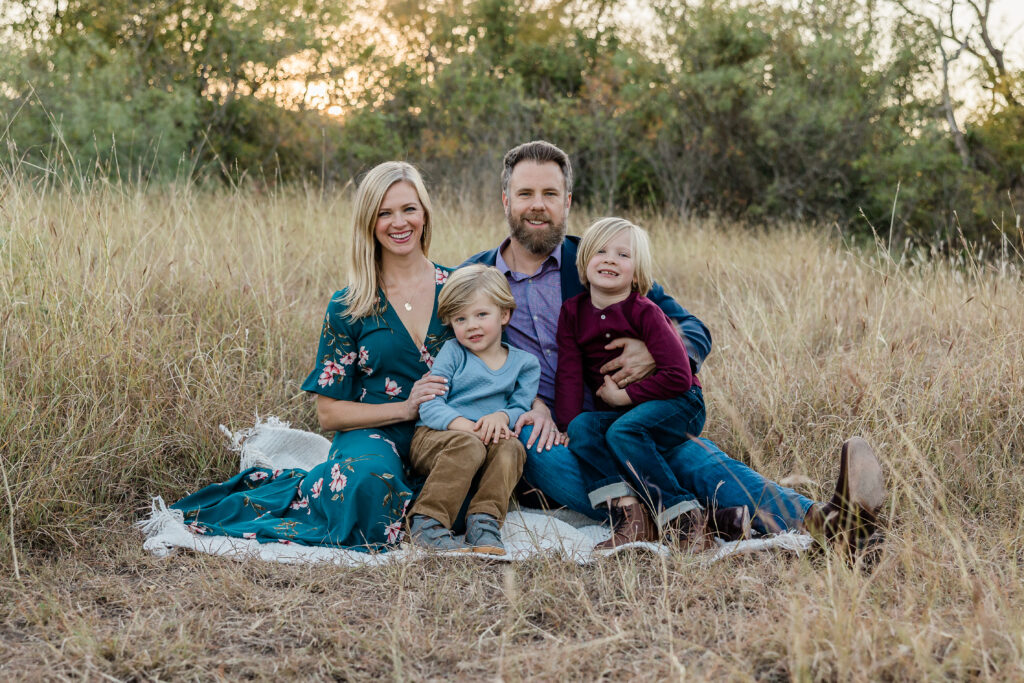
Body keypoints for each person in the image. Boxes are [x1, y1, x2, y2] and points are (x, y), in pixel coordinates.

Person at [461, 140, 886, 555]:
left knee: (688, 456)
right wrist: (524, 405)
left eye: (549, 193)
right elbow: (452, 363)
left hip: (629, 412)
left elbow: (691, 327)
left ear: (567, 201)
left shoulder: (596, 261)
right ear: (505, 200)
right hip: (553, 433)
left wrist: (653, 354)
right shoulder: (474, 279)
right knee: (537, 452)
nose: (538, 204)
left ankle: (827, 523)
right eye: (526, 194)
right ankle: (696, 515)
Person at [169, 161, 454, 549]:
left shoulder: (458, 289)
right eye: (384, 213)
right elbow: (329, 413)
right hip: (373, 434)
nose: (398, 222)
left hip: (445, 431)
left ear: (424, 213)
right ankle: (351, 494)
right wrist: (405, 408)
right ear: (369, 222)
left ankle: (416, 508)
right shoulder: (349, 305)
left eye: (408, 209)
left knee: (475, 479)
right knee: (368, 488)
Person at [557, 217, 739, 551]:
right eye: (600, 251)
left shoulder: (646, 312)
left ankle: (687, 520)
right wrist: (567, 424)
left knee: (624, 432)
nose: (610, 259)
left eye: (623, 255)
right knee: (585, 427)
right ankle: (634, 518)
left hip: (679, 404)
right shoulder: (572, 312)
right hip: (631, 412)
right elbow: (568, 371)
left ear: (638, 273)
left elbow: (678, 376)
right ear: (583, 261)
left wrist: (625, 395)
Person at [407, 265, 541, 555]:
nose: (472, 325)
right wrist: (467, 427)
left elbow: (521, 407)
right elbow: (430, 406)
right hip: (436, 437)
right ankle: (427, 523)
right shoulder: (454, 353)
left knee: (512, 448)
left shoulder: (525, 364)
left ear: (504, 314)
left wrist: (502, 416)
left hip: (486, 439)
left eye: (482, 315)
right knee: (468, 445)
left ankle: (484, 522)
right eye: (461, 318)